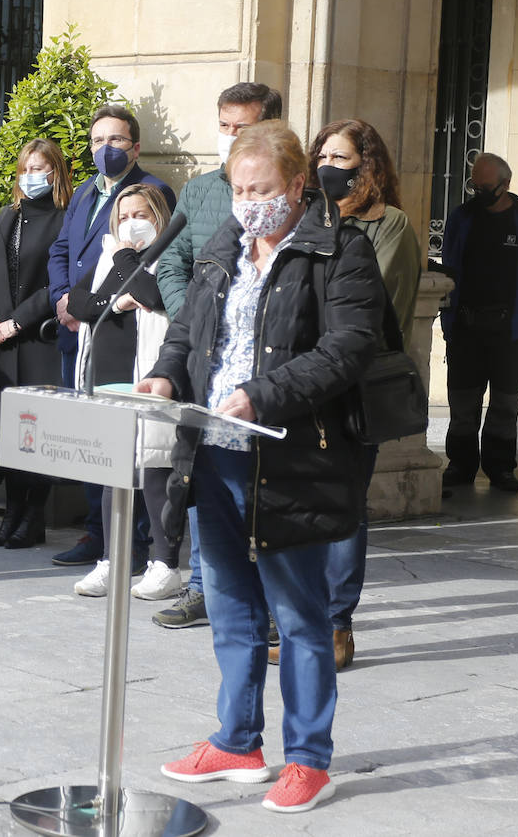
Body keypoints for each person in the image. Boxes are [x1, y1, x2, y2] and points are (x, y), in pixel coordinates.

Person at [138, 121, 383, 814]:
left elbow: (349, 348)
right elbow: (189, 329)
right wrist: (162, 374)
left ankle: (309, 758)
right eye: (241, 189)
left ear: (298, 184)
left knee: (300, 615)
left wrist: (262, 393)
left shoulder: (341, 250)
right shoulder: (227, 244)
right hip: (215, 451)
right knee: (230, 604)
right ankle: (238, 739)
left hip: (292, 456)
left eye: (264, 189)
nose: (250, 202)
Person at [151, 81, 283, 631]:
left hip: (272, 379)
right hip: (210, 369)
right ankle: (204, 589)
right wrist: (196, 320)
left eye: (242, 127)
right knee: (208, 484)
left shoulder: (292, 203)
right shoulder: (203, 191)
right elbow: (170, 262)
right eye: (224, 125)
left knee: (267, 496)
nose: (230, 136)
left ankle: (277, 602)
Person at [300, 119, 422, 671]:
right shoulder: (304, 217)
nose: (329, 165)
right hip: (300, 384)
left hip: (352, 388)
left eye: (342, 157)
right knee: (302, 503)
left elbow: (379, 311)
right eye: (322, 154)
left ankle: (336, 624)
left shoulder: (388, 225)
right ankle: (301, 617)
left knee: (345, 504)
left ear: (366, 165)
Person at [46, 105, 175, 569]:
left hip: (132, 343)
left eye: (116, 140)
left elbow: (151, 274)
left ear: (135, 147)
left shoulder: (154, 192)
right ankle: (98, 535)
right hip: (81, 333)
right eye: (98, 140)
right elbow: (63, 248)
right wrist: (64, 299)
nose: (106, 149)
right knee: (92, 441)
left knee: (140, 449)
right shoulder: (84, 192)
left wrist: (100, 303)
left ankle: (136, 541)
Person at [66, 184, 180, 600]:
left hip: (150, 373)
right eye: (125, 216)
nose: (132, 223)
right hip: (109, 372)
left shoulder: (170, 255)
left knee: (154, 470)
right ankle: (112, 561)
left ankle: (163, 563)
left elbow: (154, 294)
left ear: (159, 216)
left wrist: (123, 261)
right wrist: (115, 304)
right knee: (113, 472)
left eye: (142, 215)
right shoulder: (110, 260)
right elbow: (79, 304)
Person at [0, 139, 72, 548]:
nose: (32, 176)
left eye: (40, 168)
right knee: (7, 435)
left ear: (55, 172)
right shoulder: (6, 216)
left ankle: (34, 518)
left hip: (37, 341)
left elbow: (55, 284)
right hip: (2, 345)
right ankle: (12, 514)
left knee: (37, 432)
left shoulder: (64, 219)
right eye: (26, 168)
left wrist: (17, 321)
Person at [439, 151, 518, 499]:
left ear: (505, 185)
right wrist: (449, 321)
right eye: (474, 185)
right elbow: (448, 267)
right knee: (462, 403)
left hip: (512, 331)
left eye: (485, 186)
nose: (478, 191)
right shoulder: (462, 217)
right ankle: (460, 465)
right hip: (466, 328)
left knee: (505, 404)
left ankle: (500, 468)